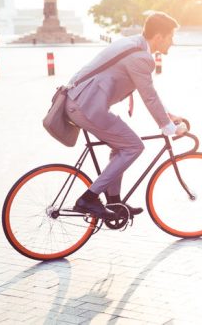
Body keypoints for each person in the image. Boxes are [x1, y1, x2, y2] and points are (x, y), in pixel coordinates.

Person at [66, 12, 187, 220]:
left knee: (123, 145)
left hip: (81, 102)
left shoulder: (134, 45)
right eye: (171, 37)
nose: (173, 42)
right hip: (85, 106)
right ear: (159, 37)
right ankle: (89, 198)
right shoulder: (140, 57)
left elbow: (148, 92)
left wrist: (168, 115)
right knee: (134, 146)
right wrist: (169, 127)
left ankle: (113, 202)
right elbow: (149, 96)